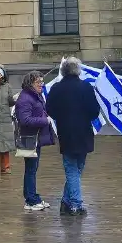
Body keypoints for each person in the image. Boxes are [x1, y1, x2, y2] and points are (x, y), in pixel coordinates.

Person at [46, 57, 101, 216]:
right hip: (83, 131)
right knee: (75, 168)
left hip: (65, 131)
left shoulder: (57, 88)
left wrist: (61, 117)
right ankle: (76, 203)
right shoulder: (86, 87)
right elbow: (94, 111)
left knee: (73, 169)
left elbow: (49, 109)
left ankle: (66, 201)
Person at [14, 71, 54, 211]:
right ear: (30, 83)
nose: (41, 85)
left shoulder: (35, 95)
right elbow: (25, 120)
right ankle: (30, 200)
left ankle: (32, 197)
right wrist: (44, 120)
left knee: (32, 169)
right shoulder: (25, 98)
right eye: (38, 82)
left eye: (42, 82)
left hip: (35, 137)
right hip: (29, 138)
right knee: (31, 169)